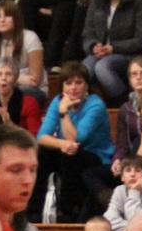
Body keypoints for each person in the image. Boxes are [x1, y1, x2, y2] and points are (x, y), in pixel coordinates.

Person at [37, 61, 115, 219]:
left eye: (78, 83)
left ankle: (67, 212)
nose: (73, 88)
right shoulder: (58, 101)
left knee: (71, 155)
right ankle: (34, 211)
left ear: (86, 86)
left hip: (96, 156)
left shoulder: (95, 104)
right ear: (62, 86)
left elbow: (77, 139)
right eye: (68, 83)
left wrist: (64, 113)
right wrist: (62, 144)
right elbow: (42, 136)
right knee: (42, 153)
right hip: (68, 151)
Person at [81, 0, 142, 100]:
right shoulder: (97, 0)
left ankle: (123, 103)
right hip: (100, 53)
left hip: (127, 55)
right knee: (83, 70)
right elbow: (87, 33)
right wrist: (93, 47)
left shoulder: (138, 1)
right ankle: (88, 104)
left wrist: (113, 48)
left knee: (102, 67)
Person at [0, 0, 45, 103]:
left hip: (31, 89)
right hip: (1, 88)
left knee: (23, 91)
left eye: (7, 16)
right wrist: (19, 78)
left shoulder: (30, 38)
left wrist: (3, 77)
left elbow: (35, 79)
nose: (2, 20)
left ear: (16, 18)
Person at [0, 59, 44, 135]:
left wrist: (10, 125)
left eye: (8, 74)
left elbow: (35, 137)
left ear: (15, 79)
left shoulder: (30, 103)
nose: (3, 78)